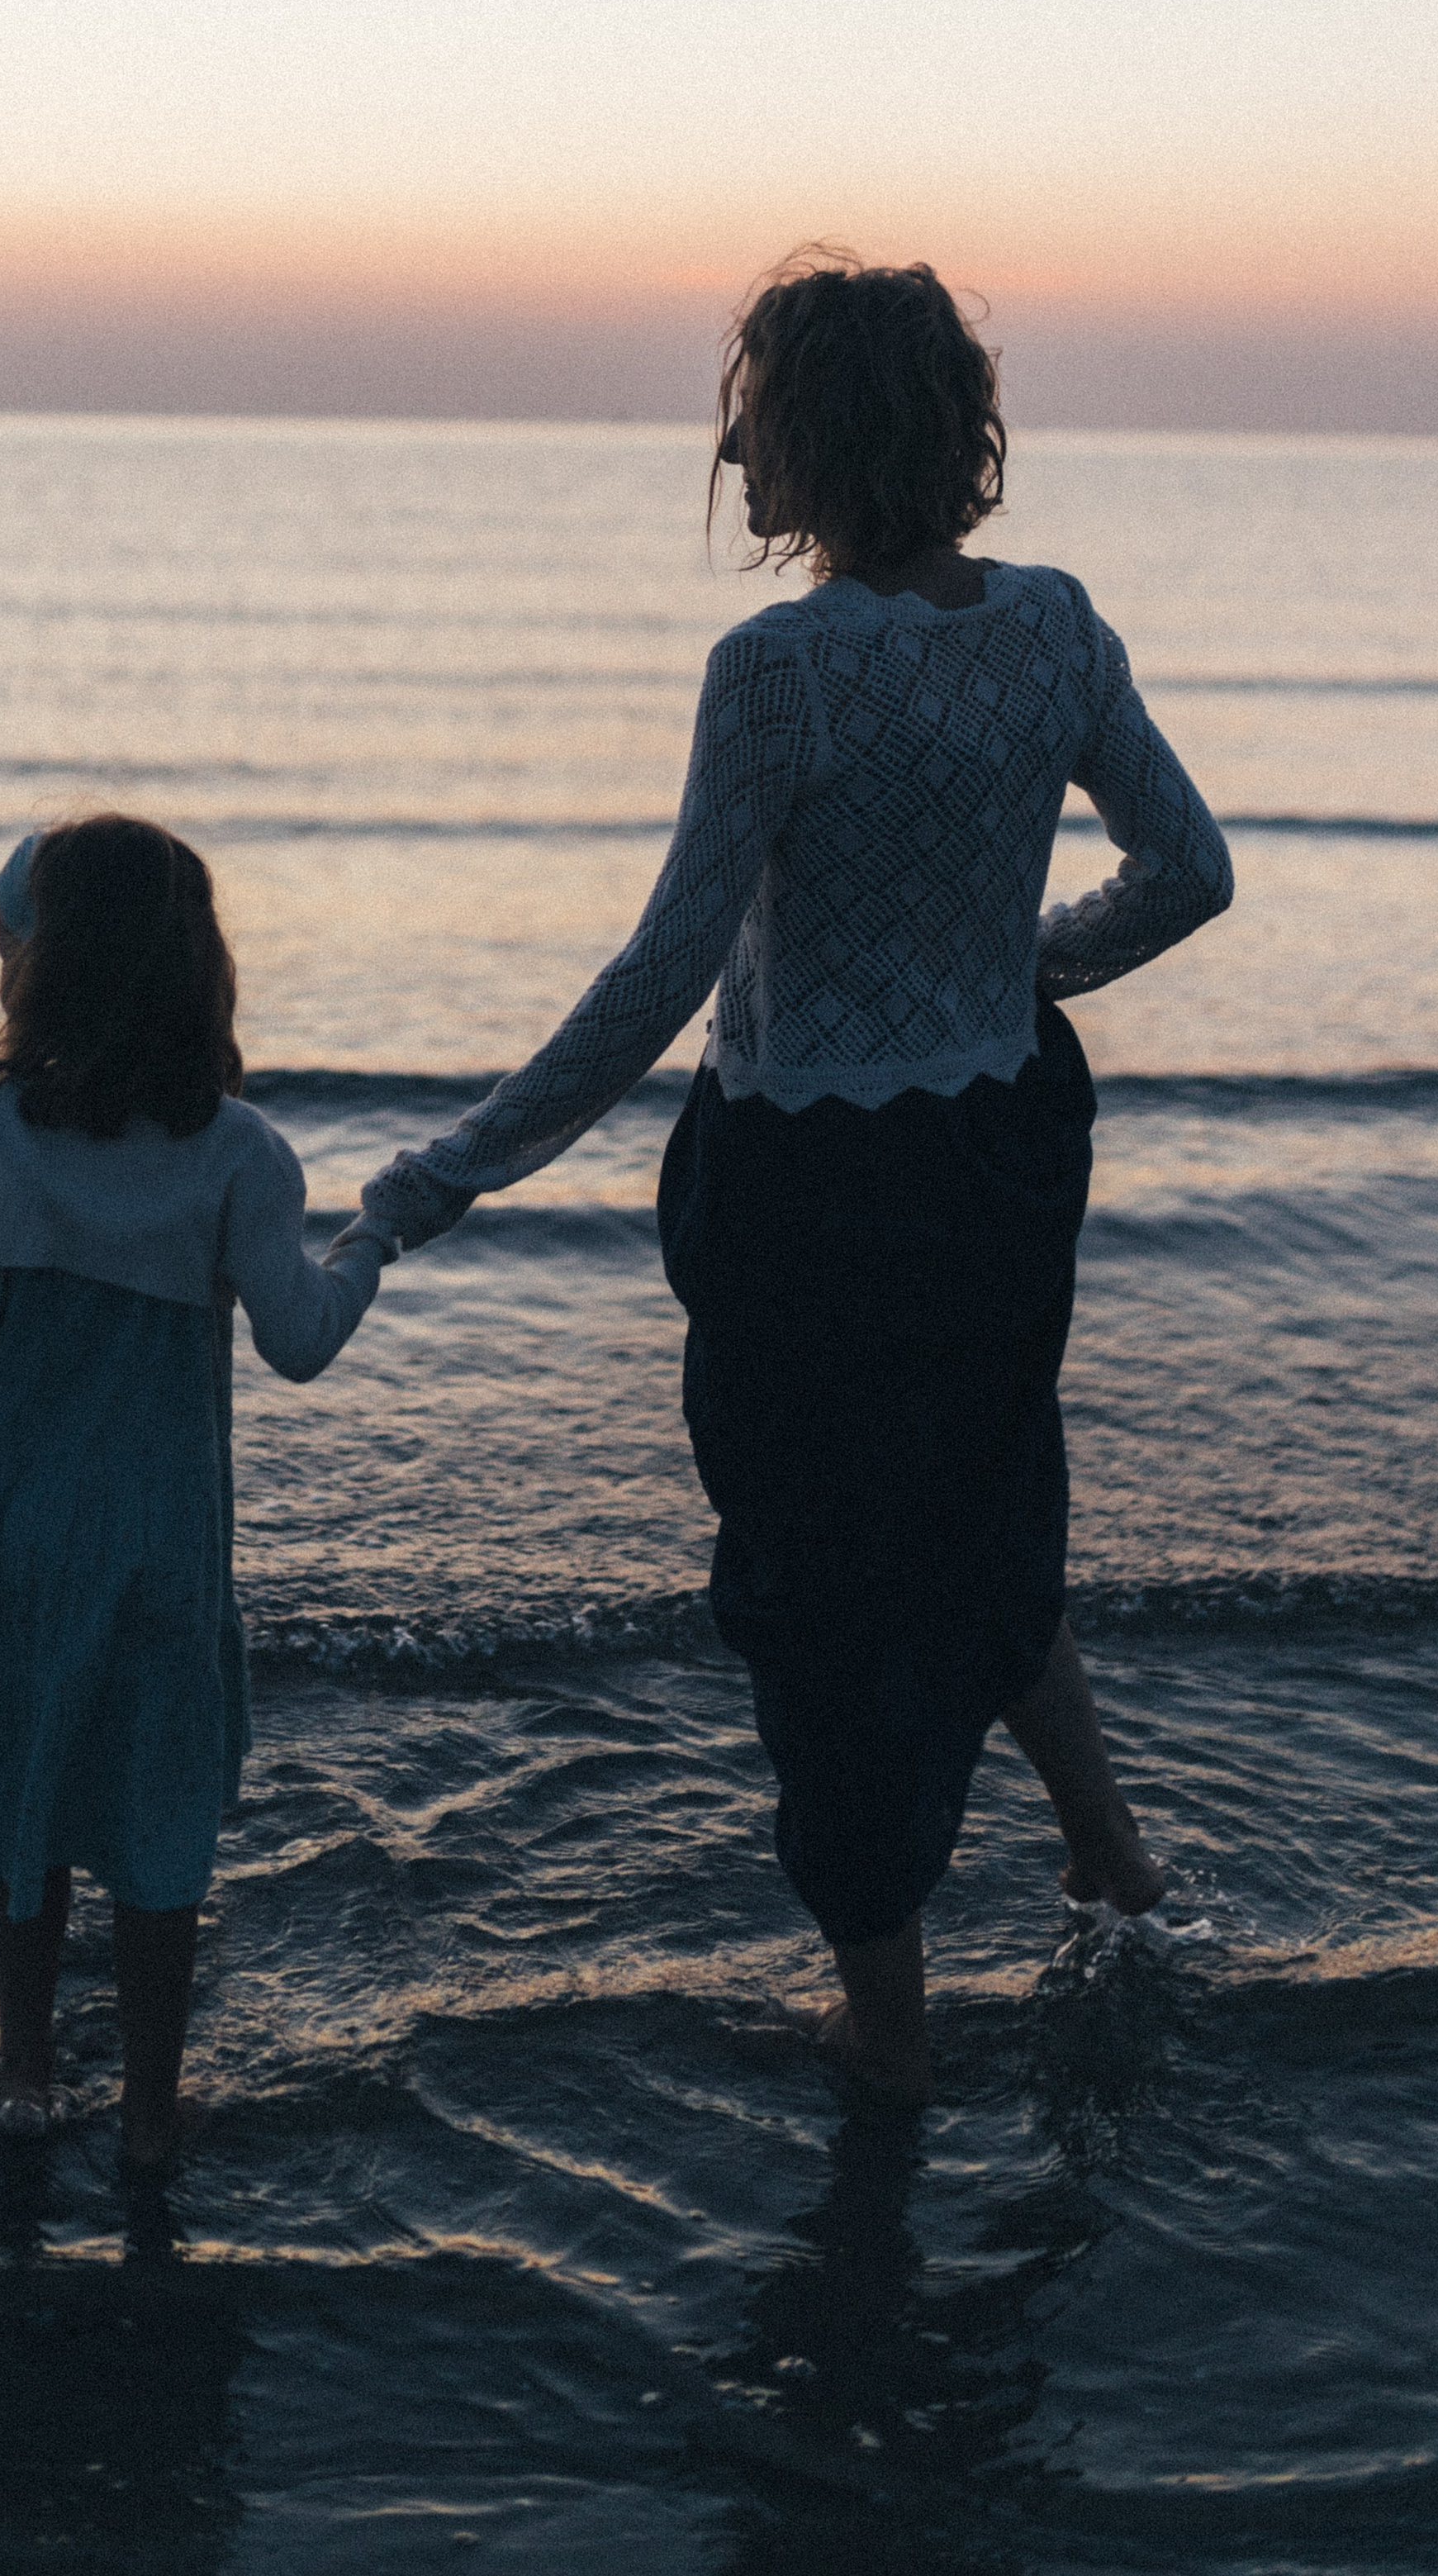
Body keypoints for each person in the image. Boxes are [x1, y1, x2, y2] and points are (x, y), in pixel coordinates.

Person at [344, 252, 1234, 2107]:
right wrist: (1022, 962)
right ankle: (1110, 1857)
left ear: (814, 433)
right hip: (995, 1155)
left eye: (750, 410)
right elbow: (1188, 872)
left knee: (821, 1587)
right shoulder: (1056, 626)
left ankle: (891, 2021)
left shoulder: (774, 675)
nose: (731, 442)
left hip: (807, 1198)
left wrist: (434, 1181)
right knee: (981, 1497)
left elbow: (659, 977)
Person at [0, 814, 393, 2161]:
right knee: (150, 1803)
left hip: (2, 1518)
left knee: (33, 1786)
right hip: (159, 1535)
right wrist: (378, 1237)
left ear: (43, 970)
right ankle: (146, 2111)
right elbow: (300, 1340)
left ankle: (21, 2070)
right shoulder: (242, 1151)